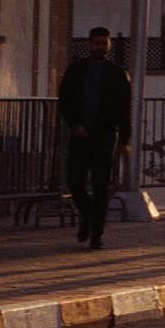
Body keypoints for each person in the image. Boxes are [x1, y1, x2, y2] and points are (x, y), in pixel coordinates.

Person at [56, 26, 132, 251]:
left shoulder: (118, 74)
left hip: (105, 137)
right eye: (96, 43)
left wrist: (125, 140)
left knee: (101, 186)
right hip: (80, 135)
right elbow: (65, 100)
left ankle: (96, 234)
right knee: (75, 181)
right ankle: (86, 215)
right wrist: (74, 124)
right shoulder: (76, 71)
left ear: (109, 45)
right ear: (90, 44)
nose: (100, 47)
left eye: (104, 43)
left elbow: (124, 109)